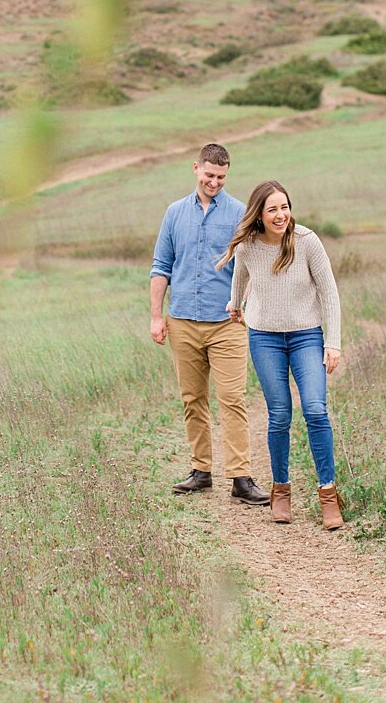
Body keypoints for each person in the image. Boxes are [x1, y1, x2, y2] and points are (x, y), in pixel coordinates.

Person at [149, 143, 270, 504]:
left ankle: (241, 478)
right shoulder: (174, 213)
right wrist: (156, 316)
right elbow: (161, 267)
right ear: (196, 169)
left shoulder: (239, 213)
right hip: (183, 319)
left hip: (226, 323)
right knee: (193, 399)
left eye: (221, 177)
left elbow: (252, 266)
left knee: (232, 399)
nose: (214, 181)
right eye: (209, 175)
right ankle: (201, 471)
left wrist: (246, 305)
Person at [222, 180, 344, 529]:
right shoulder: (248, 246)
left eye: (284, 207)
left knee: (315, 410)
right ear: (259, 214)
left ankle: (328, 493)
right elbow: (239, 277)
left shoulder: (307, 241)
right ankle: (281, 492)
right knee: (279, 415)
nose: (281, 215)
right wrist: (235, 305)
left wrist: (332, 342)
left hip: (307, 335)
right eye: (272, 209)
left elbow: (329, 293)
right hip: (265, 339)